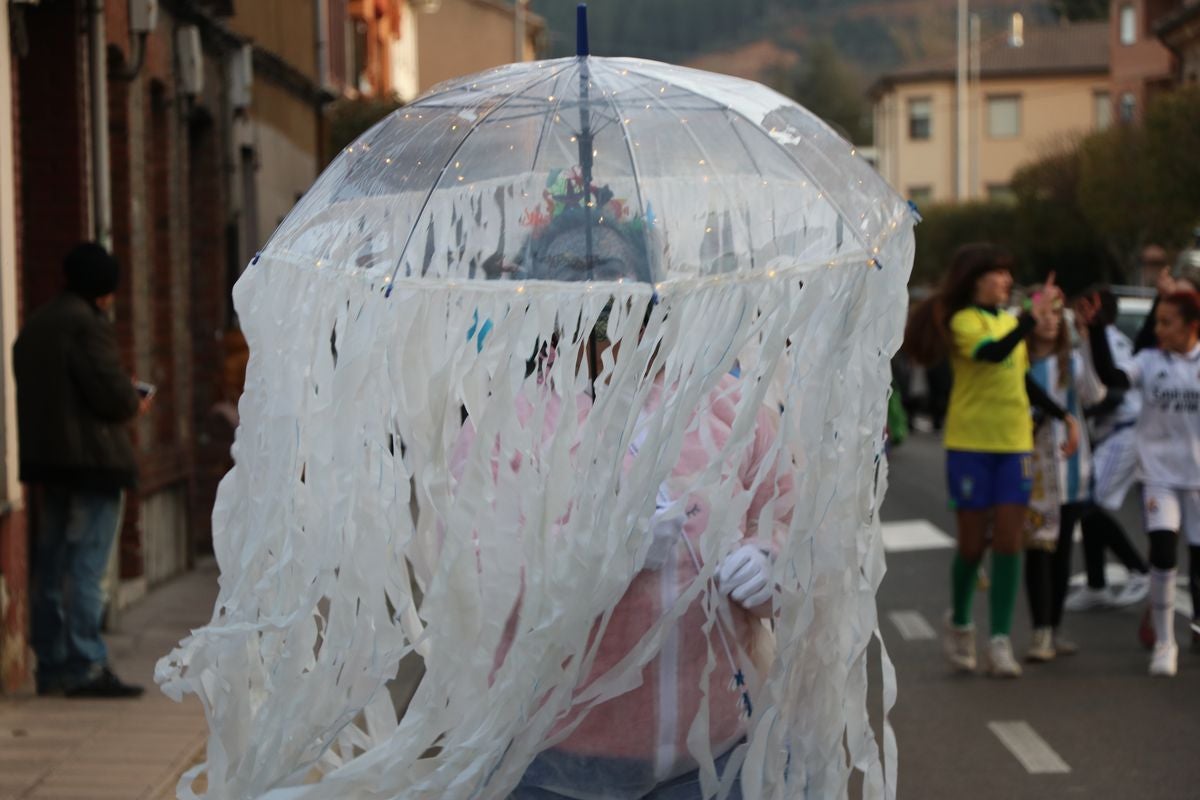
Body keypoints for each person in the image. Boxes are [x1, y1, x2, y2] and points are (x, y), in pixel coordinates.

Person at [465, 180, 793, 797]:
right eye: (572, 277)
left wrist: (774, 560)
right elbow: (480, 575)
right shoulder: (508, 426)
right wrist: (599, 555)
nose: (600, 298)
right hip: (557, 757)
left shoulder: (723, 404)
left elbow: (790, 514)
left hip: (718, 749)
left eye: (615, 275)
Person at [905, 244, 1077, 678]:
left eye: (1007, 274)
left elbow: (1018, 376)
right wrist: (1028, 320)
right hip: (970, 446)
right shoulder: (965, 321)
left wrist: (1064, 416)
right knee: (970, 544)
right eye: (997, 274)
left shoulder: (1008, 323)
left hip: (1016, 445)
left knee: (1008, 540)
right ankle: (961, 622)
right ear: (975, 279)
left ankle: (999, 640)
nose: (1004, 282)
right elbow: (993, 354)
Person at [13, 242, 149, 698]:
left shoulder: (36, 325)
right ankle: (85, 664)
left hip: (50, 463)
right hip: (93, 464)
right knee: (87, 566)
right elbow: (110, 395)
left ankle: (50, 664)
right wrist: (134, 399)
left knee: (51, 566)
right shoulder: (88, 326)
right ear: (103, 290)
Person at [1079, 289, 1200, 676]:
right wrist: (1096, 331)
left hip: (1197, 478)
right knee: (1163, 555)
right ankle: (1165, 642)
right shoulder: (1148, 361)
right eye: (1158, 321)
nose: (1158, 330)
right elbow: (1112, 376)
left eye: (1167, 323)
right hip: (1160, 476)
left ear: (1192, 326)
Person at [1022, 289, 1105, 661]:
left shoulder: (1070, 359)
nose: (1052, 320)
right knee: (1038, 550)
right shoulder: (1019, 360)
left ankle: (1054, 628)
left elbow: (1094, 395)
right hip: (1033, 469)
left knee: (1061, 553)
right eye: (1044, 314)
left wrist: (1086, 343)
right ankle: (1040, 631)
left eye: (1058, 314)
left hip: (1071, 469)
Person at [1067, 288, 1151, 612]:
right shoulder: (1089, 339)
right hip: (1108, 433)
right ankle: (1096, 584)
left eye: (1087, 307)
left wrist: (1076, 412)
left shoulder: (1111, 342)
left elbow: (1112, 392)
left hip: (1123, 430)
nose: (1079, 313)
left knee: (1087, 504)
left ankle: (1138, 569)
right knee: (1087, 507)